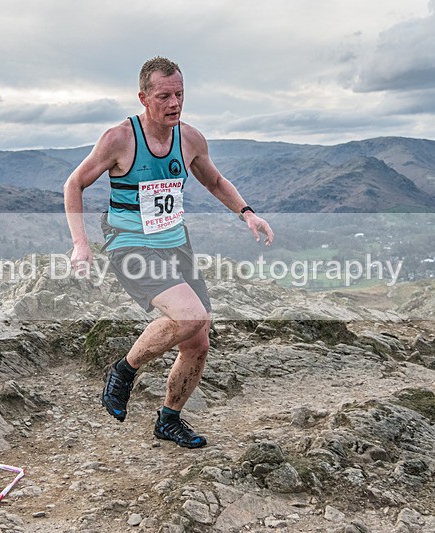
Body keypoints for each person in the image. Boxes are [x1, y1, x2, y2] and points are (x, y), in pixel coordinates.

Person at [64, 57, 274, 448]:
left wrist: (247, 213)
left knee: (198, 339)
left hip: (175, 242)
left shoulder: (190, 138)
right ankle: (124, 370)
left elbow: (213, 179)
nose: (174, 102)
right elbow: (74, 184)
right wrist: (80, 243)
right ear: (143, 97)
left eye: (180, 93)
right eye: (164, 95)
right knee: (191, 316)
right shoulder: (119, 139)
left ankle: (169, 419)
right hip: (130, 243)